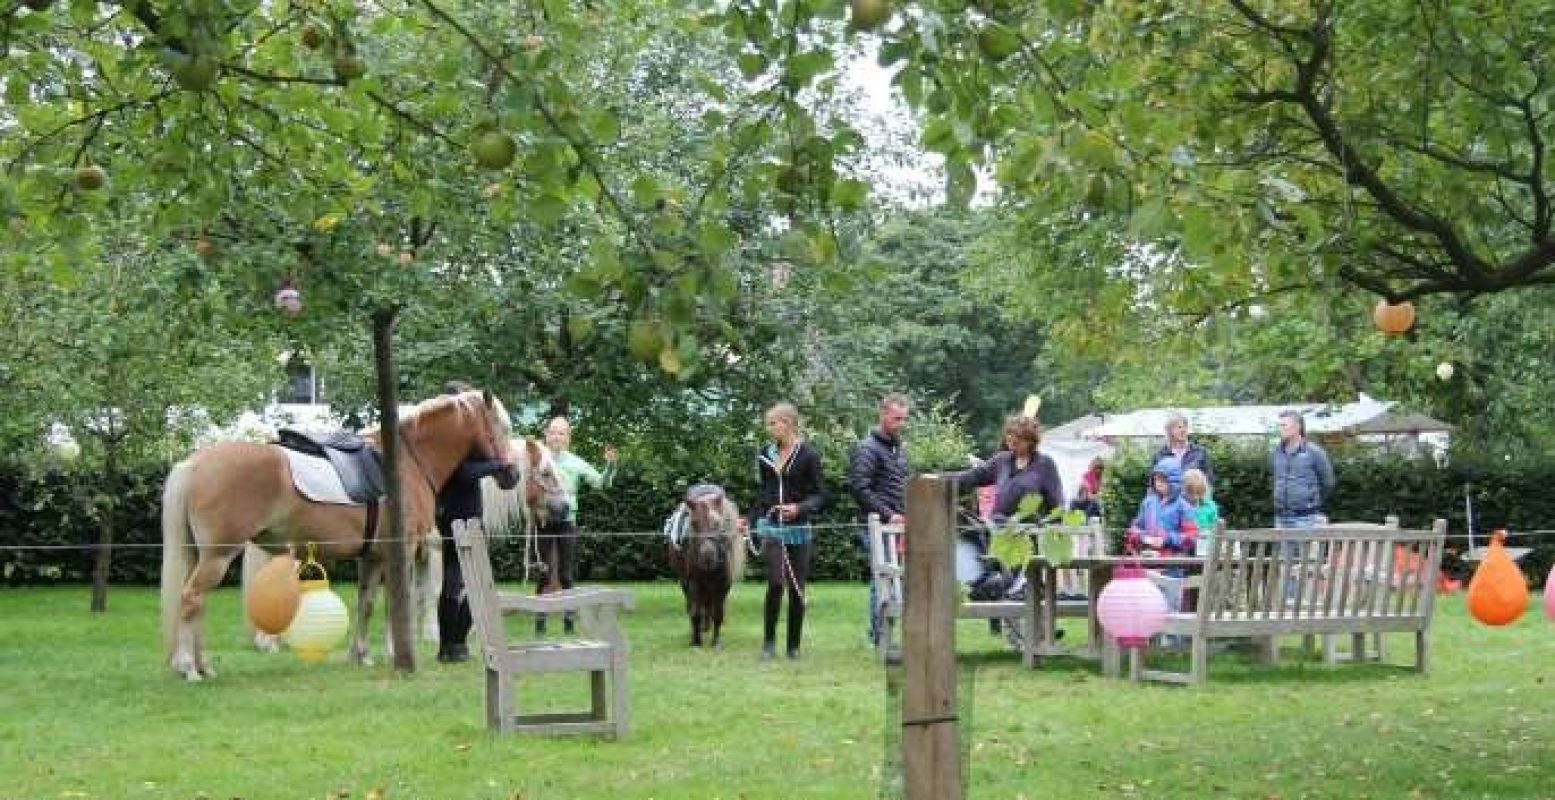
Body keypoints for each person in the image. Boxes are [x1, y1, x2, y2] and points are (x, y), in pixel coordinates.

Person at [435, 381, 516, 663]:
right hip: (461, 515)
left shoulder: (454, 439)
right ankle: (454, 643)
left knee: (458, 581)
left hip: (458, 513)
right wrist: (497, 466)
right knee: (470, 581)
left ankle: (451, 645)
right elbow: (462, 474)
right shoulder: (451, 442)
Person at [747, 402, 826, 661]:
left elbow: (820, 495)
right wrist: (749, 519)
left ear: (788, 423)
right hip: (772, 528)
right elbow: (763, 493)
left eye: (773, 423)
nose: (769, 429)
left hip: (799, 530)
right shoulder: (765, 454)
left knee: (796, 588)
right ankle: (769, 644)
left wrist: (800, 508)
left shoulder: (809, 455)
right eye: (768, 424)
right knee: (776, 583)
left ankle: (793, 647)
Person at [533, 415, 618, 635]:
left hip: (567, 522)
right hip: (543, 521)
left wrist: (610, 465)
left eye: (561, 433)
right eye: (553, 432)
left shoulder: (575, 461)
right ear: (546, 435)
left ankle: (569, 620)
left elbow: (601, 483)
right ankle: (540, 620)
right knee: (543, 572)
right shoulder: (538, 458)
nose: (556, 437)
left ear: (568, 437)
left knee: (566, 574)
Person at [849, 393, 910, 647]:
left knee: (899, 578)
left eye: (904, 419)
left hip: (899, 525)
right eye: (896, 418)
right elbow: (860, 489)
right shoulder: (867, 449)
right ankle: (879, 635)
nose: (901, 423)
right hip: (876, 525)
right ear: (883, 415)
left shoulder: (899, 448)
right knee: (882, 579)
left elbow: (901, 484)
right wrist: (888, 514)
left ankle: (891, 632)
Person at [952, 415, 1064, 523]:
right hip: (998, 531)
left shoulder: (1045, 464)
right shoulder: (1001, 460)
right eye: (1009, 434)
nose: (1011, 438)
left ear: (1030, 441)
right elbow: (972, 476)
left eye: (1017, 436)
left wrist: (1049, 529)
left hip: (1028, 533)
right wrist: (943, 480)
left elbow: (1057, 505)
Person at [1270, 409, 1335, 530]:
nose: (1280, 429)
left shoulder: (1314, 452)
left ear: (1297, 427)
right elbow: (1276, 479)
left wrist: (1311, 502)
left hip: (1307, 518)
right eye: (1279, 425)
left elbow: (1328, 483)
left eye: (1284, 425)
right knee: (1283, 550)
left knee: (1307, 550)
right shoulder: (1276, 452)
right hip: (1281, 517)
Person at [1124, 457, 1198, 557]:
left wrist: (1167, 539)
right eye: (1156, 478)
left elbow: (1191, 538)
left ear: (1174, 481)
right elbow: (1135, 527)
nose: (1159, 482)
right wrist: (1141, 537)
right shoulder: (1148, 503)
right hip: (1147, 558)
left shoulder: (1184, 506)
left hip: (1173, 562)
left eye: (1163, 479)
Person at [1154, 411, 1213, 488]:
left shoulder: (1200, 452)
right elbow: (1153, 484)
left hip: (1195, 498)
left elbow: (1209, 480)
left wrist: (1205, 498)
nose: (1183, 430)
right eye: (1179, 427)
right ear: (1169, 431)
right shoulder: (1160, 455)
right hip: (1169, 499)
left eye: (1185, 427)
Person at [1181, 467, 1220, 557]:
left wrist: (1207, 532)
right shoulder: (1180, 505)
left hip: (1206, 547)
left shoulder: (1210, 505)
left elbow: (1215, 527)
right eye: (1191, 493)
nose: (1195, 497)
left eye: (1199, 493)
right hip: (1186, 547)